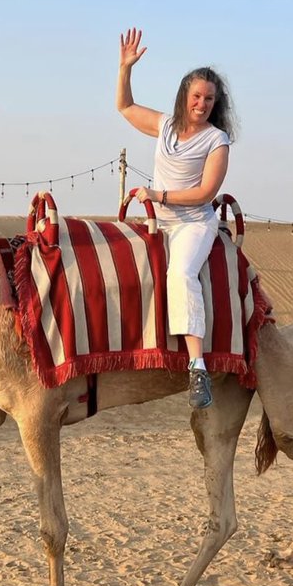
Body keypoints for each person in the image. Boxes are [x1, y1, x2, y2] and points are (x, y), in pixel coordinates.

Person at [116, 27, 236, 409]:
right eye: (197, 96)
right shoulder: (165, 125)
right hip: (157, 221)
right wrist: (125, 69)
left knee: (181, 274)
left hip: (192, 222)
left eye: (209, 99)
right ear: (186, 96)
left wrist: (157, 194)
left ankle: (197, 367)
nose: (202, 103)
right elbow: (125, 107)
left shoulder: (217, 140)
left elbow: (205, 193)